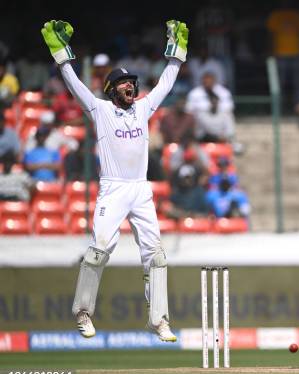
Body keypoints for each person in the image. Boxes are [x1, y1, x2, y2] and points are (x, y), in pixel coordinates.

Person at [41, 19, 189, 341]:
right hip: (113, 188)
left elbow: (165, 82)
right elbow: (74, 84)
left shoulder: (144, 108)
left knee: (156, 255)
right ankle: (83, 311)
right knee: (99, 250)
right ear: (111, 90)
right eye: (124, 84)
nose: (130, 86)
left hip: (141, 189)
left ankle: (159, 319)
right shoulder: (99, 109)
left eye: (132, 82)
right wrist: (60, 54)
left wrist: (177, 56)